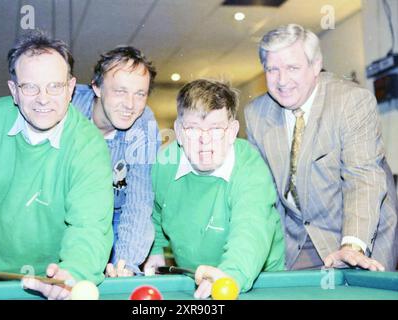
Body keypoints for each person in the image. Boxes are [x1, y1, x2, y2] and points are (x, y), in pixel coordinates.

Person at [0, 30, 114, 300]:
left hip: (53, 279)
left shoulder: (89, 145)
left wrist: (74, 271)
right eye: (30, 86)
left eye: (55, 86)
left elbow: (90, 225)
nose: (43, 98)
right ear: (14, 91)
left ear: (70, 89)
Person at [244, 23, 398, 271]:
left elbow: (363, 178)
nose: (282, 80)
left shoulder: (350, 102)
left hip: (358, 237)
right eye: (272, 69)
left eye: (292, 67)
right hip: (296, 242)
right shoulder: (256, 114)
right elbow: (262, 193)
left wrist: (352, 246)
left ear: (316, 65)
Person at [143, 79, 285, 299]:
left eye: (216, 129)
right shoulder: (164, 165)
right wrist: (156, 250)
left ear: (232, 132)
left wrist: (230, 274)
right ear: (179, 132)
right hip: (197, 282)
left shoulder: (250, 167)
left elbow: (251, 229)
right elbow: (156, 213)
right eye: (193, 129)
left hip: (256, 281)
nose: (205, 141)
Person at [71, 46, 160, 277]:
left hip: (116, 220)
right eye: (120, 91)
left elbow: (139, 201)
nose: (130, 104)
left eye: (140, 94)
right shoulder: (66, 110)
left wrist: (126, 263)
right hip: (68, 217)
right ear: (96, 87)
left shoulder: (144, 123)